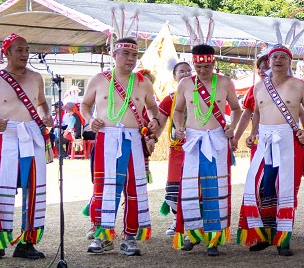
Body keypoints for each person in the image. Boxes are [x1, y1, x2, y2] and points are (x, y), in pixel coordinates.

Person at [0, 33, 54, 260]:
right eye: (19, 50)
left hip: (32, 136)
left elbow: (41, 103)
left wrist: (46, 116)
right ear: (7, 52)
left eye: (27, 50)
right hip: (7, 137)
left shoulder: (37, 77)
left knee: (34, 189)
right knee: (0, 188)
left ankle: (27, 243)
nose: (24, 54)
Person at [80, 36, 161, 256]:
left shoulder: (143, 82)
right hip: (106, 138)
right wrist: (89, 119)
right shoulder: (98, 79)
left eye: (134, 55)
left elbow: (154, 108)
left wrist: (154, 120)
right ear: (113, 55)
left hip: (133, 139)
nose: (130, 59)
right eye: (125, 54)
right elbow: (85, 105)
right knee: (104, 188)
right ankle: (102, 235)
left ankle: (130, 237)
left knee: (134, 189)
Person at [238, 43, 304, 254]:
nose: (278, 61)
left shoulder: (299, 85)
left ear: (290, 62)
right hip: (264, 141)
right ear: (269, 62)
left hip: (288, 141)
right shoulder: (259, 87)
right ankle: (264, 235)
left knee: (285, 189)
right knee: (262, 188)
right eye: (275, 57)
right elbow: (257, 113)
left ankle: (283, 239)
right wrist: (252, 133)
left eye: (283, 57)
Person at [172, 43, 241, 255]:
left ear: (213, 63)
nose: (203, 71)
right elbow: (178, 110)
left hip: (217, 140)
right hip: (193, 140)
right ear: (194, 64)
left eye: (207, 67)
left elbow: (237, 109)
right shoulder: (185, 84)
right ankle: (192, 233)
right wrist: (179, 127)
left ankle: (214, 238)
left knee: (216, 189)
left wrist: (232, 127)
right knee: (191, 189)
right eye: (199, 67)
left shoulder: (225, 82)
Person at [157, 60, 192, 238]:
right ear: (174, 76)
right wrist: (151, 136)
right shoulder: (169, 99)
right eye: (181, 72)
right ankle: (177, 220)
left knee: (194, 187)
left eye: (188, 71)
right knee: (174, 189)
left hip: (197, 150)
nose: (185, 74)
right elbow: (160, 124)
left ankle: (193, 224)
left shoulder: (199, 97)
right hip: (177, 150)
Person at [233, 53, 269, 147]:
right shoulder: (254, 89)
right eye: (259, 68)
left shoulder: (287, 88)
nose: (261, 71)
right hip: (258, 136)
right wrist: (236, 139)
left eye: (265, 68)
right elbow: (246, 115)